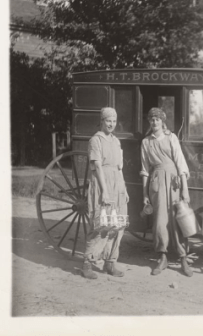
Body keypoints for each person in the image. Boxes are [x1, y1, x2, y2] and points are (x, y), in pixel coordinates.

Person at [140, 108, 193, 277]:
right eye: (152, 119)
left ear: (163, 121)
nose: (154, 122)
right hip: (156, 183)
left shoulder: (171, 138)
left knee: (177, 220)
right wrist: (145, 194)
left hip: (174, 182)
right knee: (160, 221)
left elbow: (180, 163)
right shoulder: (146, 142)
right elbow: (145, 170)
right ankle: (162, 258)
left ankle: (183, 257)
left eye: (157, 119)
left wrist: (185, 188)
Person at [82, 107, 129, 279]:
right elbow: (98, 167)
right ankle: (87, 263)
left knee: (118, 225)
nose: (111, 124)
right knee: (101, 224)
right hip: (103, 182)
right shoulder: (96, 140)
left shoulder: (116, 142)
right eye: (108, 120)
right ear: (102, 121)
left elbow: (120, 168)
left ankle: (110, 262)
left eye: (114, 121)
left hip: (117, 184)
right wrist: (104, 191)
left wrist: (124, 189)